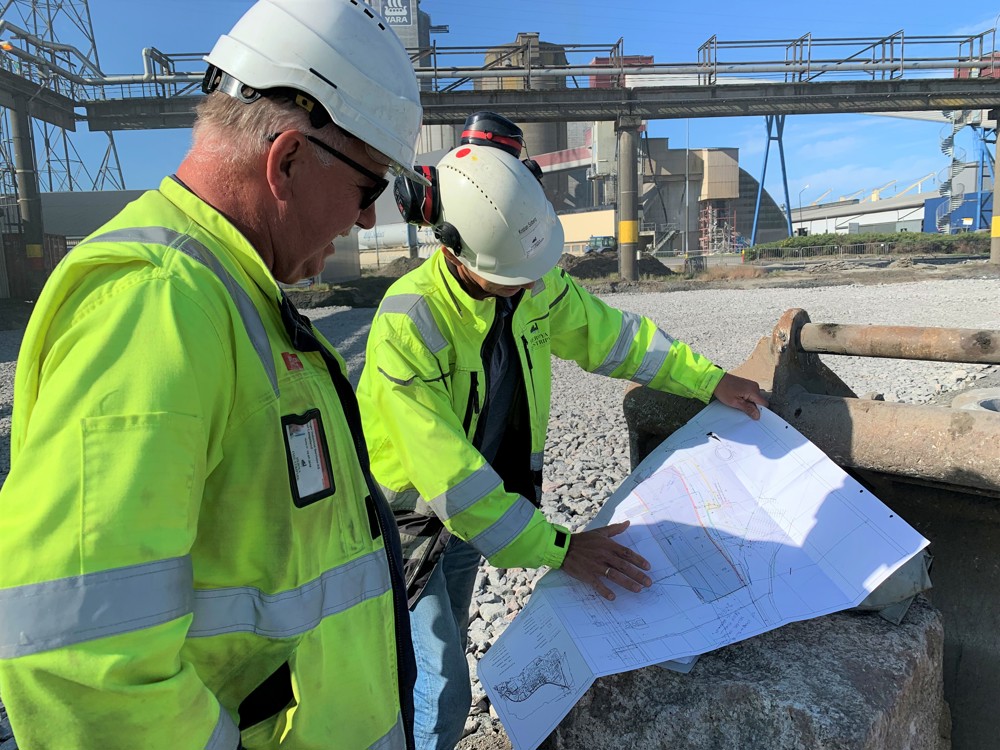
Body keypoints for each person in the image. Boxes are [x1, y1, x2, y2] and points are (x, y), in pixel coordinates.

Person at [0, 2, 425, 748]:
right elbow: (79, 658)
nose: (366, 221)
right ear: (287, 159)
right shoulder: (153, 305)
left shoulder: (231, 296)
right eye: (368, 189)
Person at [356, 118, 769, 750]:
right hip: (408, 520)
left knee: (438, 645)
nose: (530, 284)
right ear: (455, 250)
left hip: (487, 500)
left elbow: (615, 338)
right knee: (438, 677)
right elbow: (449, 481)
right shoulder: (407, 327)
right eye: (516, 274)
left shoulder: (530, 283)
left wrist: (709, 380)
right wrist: (561, 549)